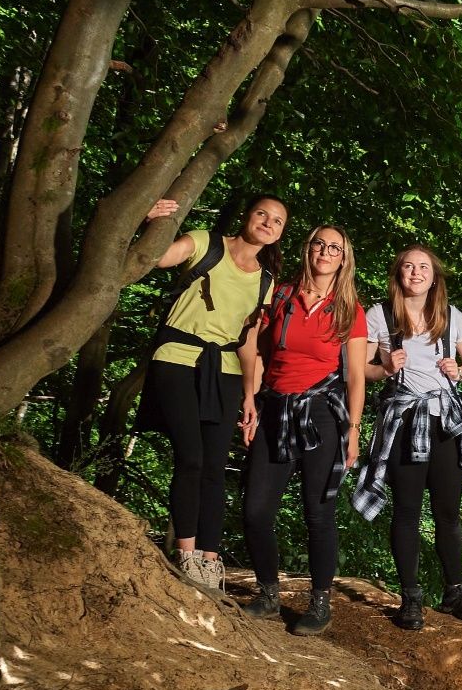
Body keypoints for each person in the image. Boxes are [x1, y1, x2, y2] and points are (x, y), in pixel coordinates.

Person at [137, 194, 287, 593]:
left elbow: (250, 341)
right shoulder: (205, 243)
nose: (268, 224)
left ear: (280, 234)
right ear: (247, 215)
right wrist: (149, 220)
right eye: (262, 214)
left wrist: (251, 397)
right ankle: (186, 555)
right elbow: (156, 258)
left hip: (227, 372)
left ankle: (209, 559)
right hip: (178, 358)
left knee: (215, 468)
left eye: (277, 221)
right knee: (191, 458)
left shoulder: (265, 282)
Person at [236, 225, 366, 635]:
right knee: (255, 509)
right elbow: (257, 352)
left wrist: (354, 431)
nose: (325, 252)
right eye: (319, 244)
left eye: (335, 248)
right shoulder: (279, 296)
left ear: (343, 259)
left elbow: (357, 378)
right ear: (307, 249)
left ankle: (320, 602)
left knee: (318, 513)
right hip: (274, 409)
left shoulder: (350, 310)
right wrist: (250, 401)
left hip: (322, 416)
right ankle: (269, 593)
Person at [351, 245, 462, 631]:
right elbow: (358, 368)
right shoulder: (379, 314)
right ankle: (411, 598)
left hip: (445, 423)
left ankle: (455, 592)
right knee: (407, 511)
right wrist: (383, 366)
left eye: (422, 267)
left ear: (433, 275)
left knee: (448, 513)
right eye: (408, 266)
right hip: (403, 422)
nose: (415, 272)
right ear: (398, 274)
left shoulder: (450, 316)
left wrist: (459, 371)